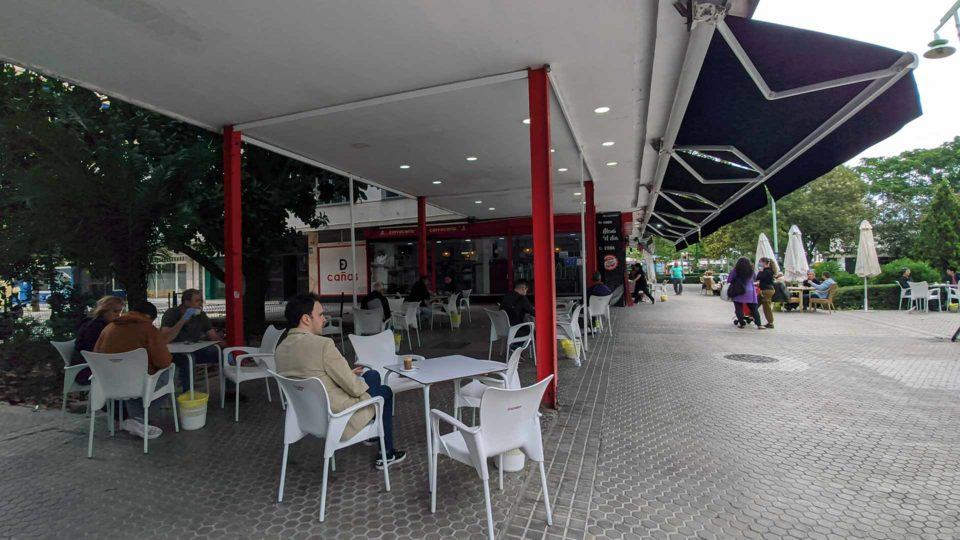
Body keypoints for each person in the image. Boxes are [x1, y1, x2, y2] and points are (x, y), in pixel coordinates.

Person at [275, 293, 406, 469]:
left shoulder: (281, 349)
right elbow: (354, 389)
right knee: (385, 392)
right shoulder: (323, 345)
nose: (324, 319)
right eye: (320, 315)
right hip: (339, 417)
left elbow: (308, 376)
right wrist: (353, 379)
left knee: (372, 375)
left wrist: (348, 376)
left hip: (307, 417)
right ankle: (386, 453)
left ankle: (374, 432)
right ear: (306, 319)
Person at [93, 301, 173, 440]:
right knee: (168, 373)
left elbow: (96, 355)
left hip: (109, 385)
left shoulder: (108, 328)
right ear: (149, 317)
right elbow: (164, 362)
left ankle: (135, 420)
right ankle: (139, 419)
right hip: (138, 384)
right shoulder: (148, 329)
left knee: (132, 377)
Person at [160, 289, 224, 394]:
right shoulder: (172, 314)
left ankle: (231, 391)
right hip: (173, 353)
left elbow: (212, 335)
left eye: (201, 301)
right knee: (189, 360)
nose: (200, 304)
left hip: (194, 349)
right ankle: (188, 394)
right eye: (197, 301)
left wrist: (227, 346)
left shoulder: (201, 315)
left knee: (221, 354)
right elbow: (165, 338)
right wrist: (182, 321)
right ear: (187, 302)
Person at [73, 295, 125, 384]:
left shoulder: (94, 323)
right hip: (87, 372)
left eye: (120, 312)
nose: (118, 315)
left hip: (89, 368)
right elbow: (95, 352)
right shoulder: (96, 327)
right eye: (115, 311)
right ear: (104, 311)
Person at [727, 257, 764, 330]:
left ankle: (742, 323)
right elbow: (754, 279)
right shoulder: (751, 271)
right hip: (750, 291)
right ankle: (759, 324)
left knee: (738, 308)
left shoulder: (735, 271)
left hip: (738, 291)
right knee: (754, 309)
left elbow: (729, 280)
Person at [756, 258, 776, 329]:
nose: (759, 264)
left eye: (760, 263)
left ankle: (770, 322)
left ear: (765, 263)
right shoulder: (769, 271)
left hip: (767, 290)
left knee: (766, 307)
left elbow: (758, 277)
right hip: (766, 290)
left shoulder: (767, 271)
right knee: (756, 303)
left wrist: (760, 270)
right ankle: (750, 315)